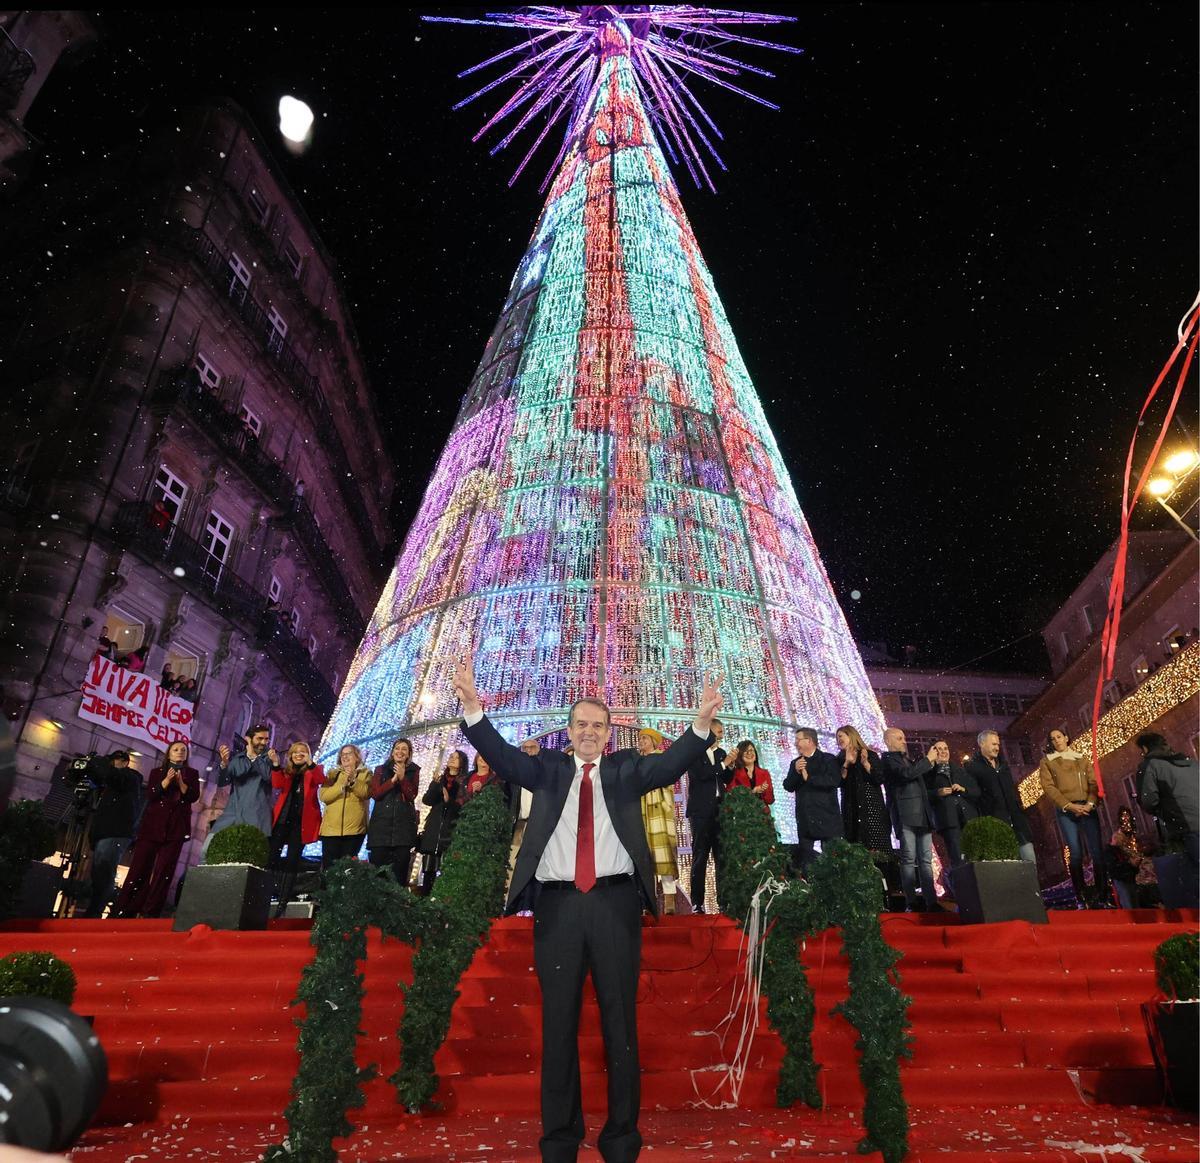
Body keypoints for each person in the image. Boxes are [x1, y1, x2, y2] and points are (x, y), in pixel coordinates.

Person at [453, 650, 720, 1163]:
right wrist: (473, 710)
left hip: (616, 904)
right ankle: (560, 1141)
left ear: (609, 733)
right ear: (570, 730)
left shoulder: (625, 771)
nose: (590, 732)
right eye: (581, 724)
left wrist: (700, 725)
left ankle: (621, 1140)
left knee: (620, 1023)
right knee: (558, 1025)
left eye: (598, 725)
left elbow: (669, 764)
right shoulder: (550, 769)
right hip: (557, 908)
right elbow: (505, 758)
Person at [113, 742, 199, 917]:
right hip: (153, 826)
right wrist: (166, 781)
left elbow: (193, 797)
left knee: (164, 872)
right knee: (139, 868)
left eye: (183, 750)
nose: (180, 752)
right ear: (168, 754)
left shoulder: (192, 774)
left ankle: (151, 912)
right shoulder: (157, 772)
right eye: (176, 750)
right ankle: (125, 909)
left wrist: (181, 782)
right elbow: (151, 794)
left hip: (176, 828)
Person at [1039, 728, 1108, 907]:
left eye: (1059, 737)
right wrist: (1069, 806)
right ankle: (1081, 896)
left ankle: (1103, 895)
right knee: (1075, 853)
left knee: (1096, 852)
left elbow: (1093, 783)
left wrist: (1090, 804)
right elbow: (1049, 787)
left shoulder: (1081, 759)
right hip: (1066, 810)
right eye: (1052, 739)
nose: (1057, 741)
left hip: (1087, 808)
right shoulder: (1047, 762)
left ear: (1066, 738)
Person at [878, 729, 938, 911]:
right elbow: (906, 775)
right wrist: (927, 760)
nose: (904, 741)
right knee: (909, 859)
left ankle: (931, 902)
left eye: (904, 738)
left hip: (922, 815)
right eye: (899, 738)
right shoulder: (888, 761)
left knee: (926, 860)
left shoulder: (907, 760)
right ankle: (911, 901)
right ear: (888, 740)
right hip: (905, 815)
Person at [1135, 731, 1199, 903]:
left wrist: (1160, 810)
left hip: (1186, 825)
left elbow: (1148, 800)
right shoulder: (1190, 763)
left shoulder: (1150, 765)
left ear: (1145, 748)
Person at [964, 730, 1036, 863]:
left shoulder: (1004, 765)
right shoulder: (972, 768)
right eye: (993, 744)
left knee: (1030, 862)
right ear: (982, 744)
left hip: (1018, 822)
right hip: (996, 824)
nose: (997, 747)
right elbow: (975, 796)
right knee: (1009, 868)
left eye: (998, 744)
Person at [82, 751, 140, 918]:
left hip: (116, 832)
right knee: (98, 873)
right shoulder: (110, 784)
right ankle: (93, 910)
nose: (111, 765)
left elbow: (110, 774)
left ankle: (95, 912)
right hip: (105, 832)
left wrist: (98, 761)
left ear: (124, 762)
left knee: (105, 873)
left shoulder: (131, 777)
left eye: (113, 761)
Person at [269, 742, 324, 913]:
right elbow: (277, 784)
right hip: (282, 821)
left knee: (293, 860)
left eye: (303, 752)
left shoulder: (313, 770)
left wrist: (310, 763)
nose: (298, 754)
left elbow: (321, 779)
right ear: (290, 755)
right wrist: (276, 765)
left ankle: (283, 901)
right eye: (295, 752)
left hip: (301, 824)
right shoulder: (287, 772)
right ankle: (267, 894)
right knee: (272, 858)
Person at [782, 727, 842, 874]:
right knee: (805, 862)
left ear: (809, 741)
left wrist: (809, 778)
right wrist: (796, 772)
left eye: (798, 739)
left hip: (827, 817)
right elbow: (788, 786)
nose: (796, 743)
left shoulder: (828, 759)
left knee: (831, 860)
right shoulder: (796, 762)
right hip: (805, 819)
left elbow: (833, 781)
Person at [211, 726, 278, 846]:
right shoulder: (239, 758)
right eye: (260, 738)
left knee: (244, 855)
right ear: (248, 739)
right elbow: (223, 782)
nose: (264, 742)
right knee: (208, 848)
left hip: (256, 815)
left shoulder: (271, 758)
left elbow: (268, 776)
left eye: (266, 739)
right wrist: (225, 763)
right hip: (233, 812)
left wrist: (253, 756)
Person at [684, 717, 725, 912]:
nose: (721, 736)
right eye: (718, 732)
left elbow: (726, 777)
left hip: (720, 811)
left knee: (721, 857)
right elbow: (703, 775)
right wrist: (725, 765)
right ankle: (697, 903)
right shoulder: (694, 754)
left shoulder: (721, 754)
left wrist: (729, 766)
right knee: (700, 856)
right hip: (700, 812)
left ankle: (724, 901)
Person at [637, 728, 679, 914]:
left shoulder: (663, 759)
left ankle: (669, 899)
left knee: (664, 854)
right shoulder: (637, 762)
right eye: (641, 738)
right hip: (641, 808)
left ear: (654, 742)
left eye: (645, 738)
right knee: (645, 857)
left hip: (659, 808)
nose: (642, 741)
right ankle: (649, 902)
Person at [367, 738, 420, 887]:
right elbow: (376, 793)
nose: (400, 752)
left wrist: (403, 778)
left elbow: (411, 795)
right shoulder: (380, 769)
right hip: (381, 828)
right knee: (378, 874)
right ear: (392, 752)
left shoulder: (414, 771)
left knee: (399, 874)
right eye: (397, 748)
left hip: (403, 830)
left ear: (409, 754)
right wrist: (393, 780)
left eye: (404, 749)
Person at [416, 749, 467, 891]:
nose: (452, 759)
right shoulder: (441, 779)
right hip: (434, 828)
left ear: (462, 762)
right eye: (451, 756)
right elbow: (427, 800)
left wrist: (448, 800)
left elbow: (462, 806)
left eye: (456, 757)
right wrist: (434, 784)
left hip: (450, 829)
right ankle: (425, 895)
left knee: (446, 870)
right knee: (428, 869)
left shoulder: (463, 781)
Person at [836, 726, 889, 852]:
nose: (839, 740)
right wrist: (846, 764)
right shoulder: (839, 759)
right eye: (837, 737)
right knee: (854, 846)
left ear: (851, 736)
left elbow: (879, 778)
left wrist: (866, 764)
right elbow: (838, 782)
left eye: (841, 736)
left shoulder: (869, 754)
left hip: (871, 808)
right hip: (851, 809)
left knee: (875, 847)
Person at [318, 744, 371, 868]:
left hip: (354, 831)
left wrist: (353, 781)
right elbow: (324, 797)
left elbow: (365, 793)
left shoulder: (366, 773)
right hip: (330, 831)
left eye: (349, 754)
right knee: (329, 869)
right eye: (343, 754)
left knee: (348, 869)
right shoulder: (332, 775)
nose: (345, 757)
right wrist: (341, 786)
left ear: (357, 757)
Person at [1108, 805, 1158, 909]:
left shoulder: (1135, 837)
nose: (1126, 822)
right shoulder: (1117, 839)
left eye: (1128, 818)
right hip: (1125, 873)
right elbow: (1115, 862)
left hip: (1134, 871)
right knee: (1129, 899)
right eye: (1124, 819)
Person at [725, 740, 775, 805]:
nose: (749, 753)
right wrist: (753, 792)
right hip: (742, 814)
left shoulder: (765, 773)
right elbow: (731, 799)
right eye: (745, 751)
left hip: (763, 813)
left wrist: (764, 790)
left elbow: (770, 800)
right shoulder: (733, 774)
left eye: (751, 750)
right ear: (740, 755)